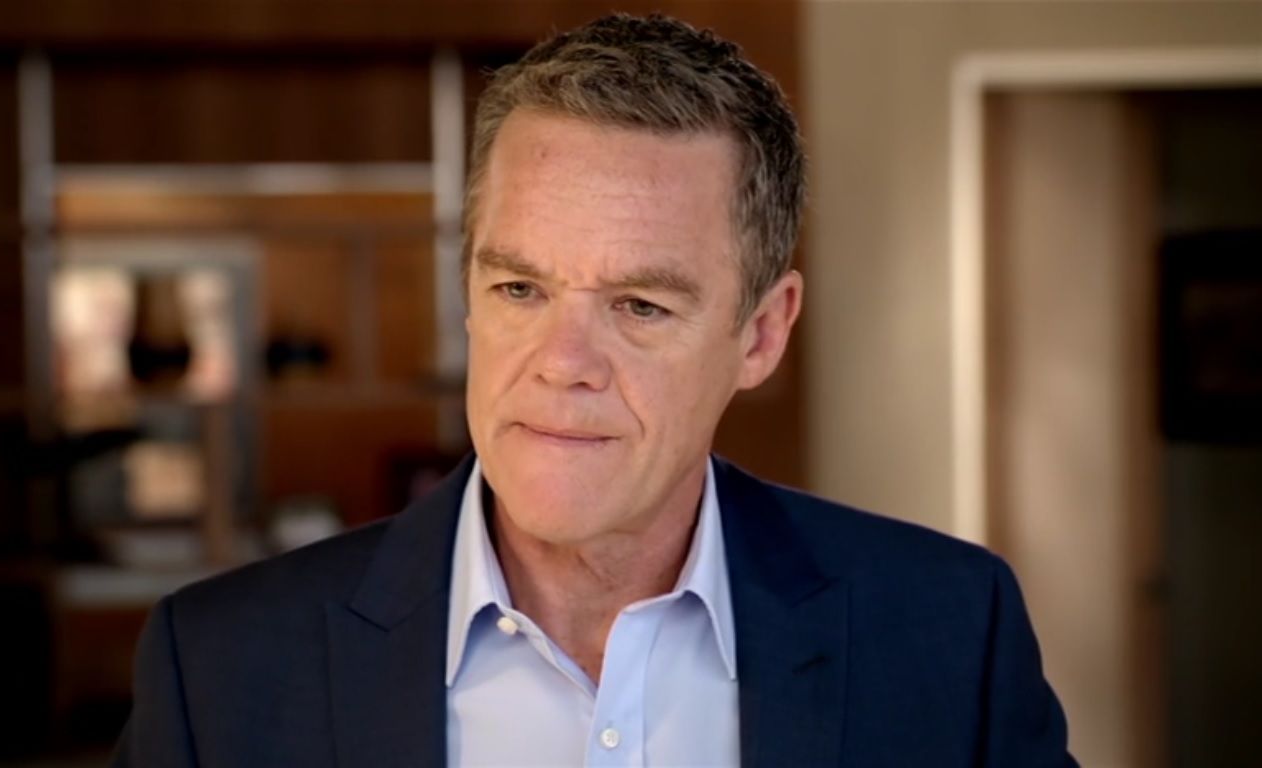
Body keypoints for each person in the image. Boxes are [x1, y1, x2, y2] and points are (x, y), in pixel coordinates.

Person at [114, 13, 1075, 767]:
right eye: (519, 289)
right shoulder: (221, 668)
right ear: (467, 295)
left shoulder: (950, 636)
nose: (562, 361)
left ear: (762, 334)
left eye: (640, 306)